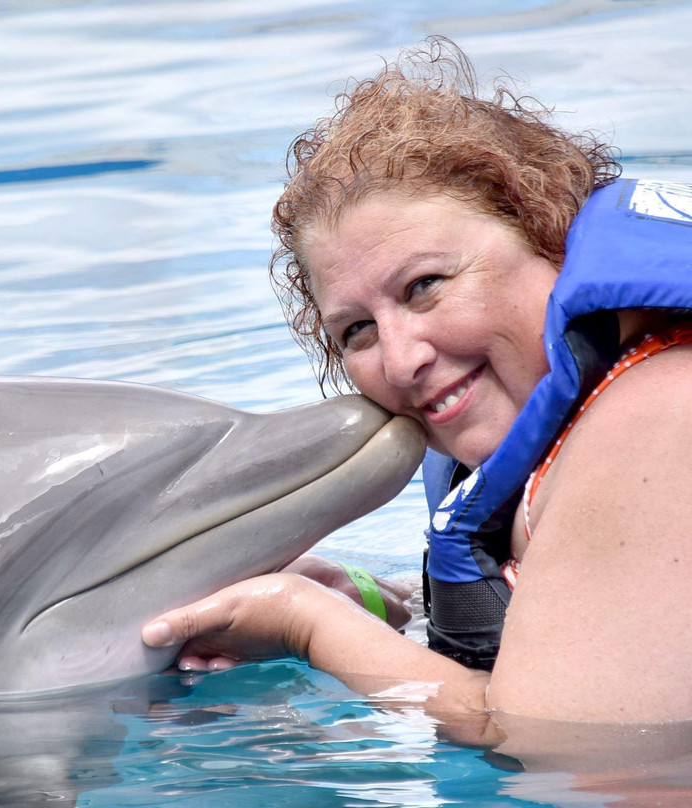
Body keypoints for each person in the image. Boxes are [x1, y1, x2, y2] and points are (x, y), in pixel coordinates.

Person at [141, 37, 692, 747]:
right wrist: (375, 603)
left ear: (549, 235)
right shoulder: (567, 429)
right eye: (357, 331)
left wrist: (307, 623)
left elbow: (564, 747)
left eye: (425, 285)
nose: (400, 361)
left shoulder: (659, 418)